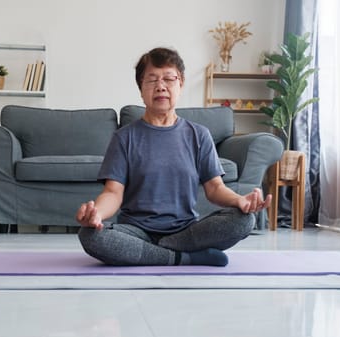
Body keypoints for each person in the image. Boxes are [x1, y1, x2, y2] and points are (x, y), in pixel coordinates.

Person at [76, 47, 271, 266]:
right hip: (136, 231)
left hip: (185, 231)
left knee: (244, 221)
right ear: (141, 89)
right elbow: (113, 193)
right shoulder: (124, 138)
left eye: (169, 78)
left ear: (181, 83)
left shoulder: (199, 135)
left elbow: (215, 189)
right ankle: (182, 257)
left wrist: (240, 200)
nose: (161, 86)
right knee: (89, 235)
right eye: (151, 80)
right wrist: (96, 215)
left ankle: (152, 254)